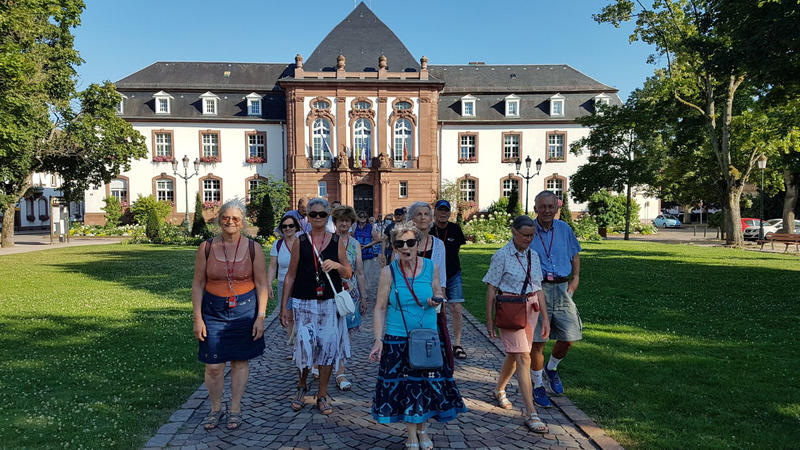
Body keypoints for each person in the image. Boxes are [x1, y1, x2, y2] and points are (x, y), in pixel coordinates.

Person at [369, 221, 467, 450]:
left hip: (427, 339)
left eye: (410, 242)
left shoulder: (431, 266)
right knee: (405, 387)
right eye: (400, 243)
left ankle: (423, 430)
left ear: (418, 243)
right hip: (397, 338)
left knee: (425, 386)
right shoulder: (388, 272)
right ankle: (412, 434)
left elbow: (437, 293)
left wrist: (436, 301)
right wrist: (377, 340)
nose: (406, 247)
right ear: (393, 246)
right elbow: (380, 308)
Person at [191, 200, 268, 430]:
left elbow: (263, 284)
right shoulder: (206, 248)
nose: (230, 222)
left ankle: (235, 408)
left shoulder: (253, 248)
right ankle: (215, 408)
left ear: (242, 222)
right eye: (226, 217)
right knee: (213, 366)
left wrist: (261, 317)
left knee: (239, 361)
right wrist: (197, 318)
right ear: (219, 219)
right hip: (213, 309)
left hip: (245, 310)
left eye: (235, 218)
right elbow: (197, 284)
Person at [280, 198, 353, 415]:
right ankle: (302, 385)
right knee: (304, 348)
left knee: (328, 350)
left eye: (322, 214)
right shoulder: (300, 242)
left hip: (329, 302)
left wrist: (338, 265)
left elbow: (348, 272)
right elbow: (290, 276)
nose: (318, 218)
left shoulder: (336, 241)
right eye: (314, 214)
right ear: (308, 217)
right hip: (304, 302)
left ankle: (322, 394)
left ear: (328, 215)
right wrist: (285, 306)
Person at [482, 215, 550, 433]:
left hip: (531, 309)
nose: (529, 239)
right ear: (514, 232)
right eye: (525, 235)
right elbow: (491, 288)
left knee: (515, 354)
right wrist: (489, 320)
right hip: (510, 309)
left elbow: (538, 287)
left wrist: (546, 318)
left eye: (532, 235)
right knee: (523, 356)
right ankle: (531, 413)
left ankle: (499, 389)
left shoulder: (534, 256)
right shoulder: (501, 255)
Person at [529, 191, 582, 408]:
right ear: (536, 209)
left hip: (562, 287)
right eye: (543, 207)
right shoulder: (528, 231)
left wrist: (576, 278)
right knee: (538, 342)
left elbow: (575, 254)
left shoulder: (565, 229)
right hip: (538, 289)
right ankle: (538, 385)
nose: (547, 211)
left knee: (569, 336)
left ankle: (552, 368)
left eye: (551, 206)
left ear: (556, 207)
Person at [331, 205, 368, 391]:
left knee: (344, 335)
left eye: (347, 220)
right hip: (330, 294)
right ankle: (317, 364)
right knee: (327, 332)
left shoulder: (354, 244)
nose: (344, 223)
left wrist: (364, 297)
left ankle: (340, 371)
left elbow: (359, 272)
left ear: (351, 223)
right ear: (335, 222)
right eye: (341, 220)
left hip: (350, 295)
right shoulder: (329, 240)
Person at [432, 200, 468, 360]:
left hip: (453, 274)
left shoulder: (455, 229)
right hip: (435, 275)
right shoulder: (430, 230)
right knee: (439, 310)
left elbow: (457, 249)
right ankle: (440, 341)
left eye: (446, 210)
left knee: (457, 309)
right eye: (440, 210)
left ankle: (457, 343)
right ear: (435, 212)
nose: (443, 213)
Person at [267, 213, 301, 347]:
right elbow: (272, 266)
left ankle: (300, 343)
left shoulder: (303, 242)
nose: (288, 229)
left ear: (296, 227)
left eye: (291, 226)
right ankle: (294, 345)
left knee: (301, 314)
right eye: (284, 226)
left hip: (300, 284)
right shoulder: (278, 244)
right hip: (283, 283)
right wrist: (269, 284)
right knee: (288, 315)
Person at [353, 210, 381, 303]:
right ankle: (358, 291)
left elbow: (377, 239)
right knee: (357, 272)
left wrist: (367, 245)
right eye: (361, 217)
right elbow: (351, 237)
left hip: (367, 253)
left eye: (364, 218)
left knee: (366, 273)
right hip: (356, 253)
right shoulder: (354, 226)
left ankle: (364, 293)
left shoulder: (370, 227)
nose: (362, 220)